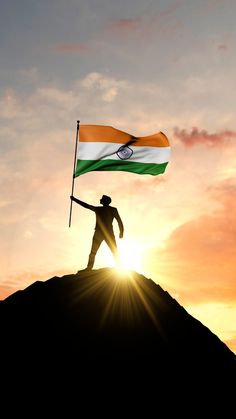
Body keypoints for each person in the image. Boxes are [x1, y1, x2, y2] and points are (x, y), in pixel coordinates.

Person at [70, 195, 124, 270]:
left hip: (105, 233)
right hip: (102, 233)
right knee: (95, 250)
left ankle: (118, 266)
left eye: (101, 199)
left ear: (105, 201)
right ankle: (89, 267)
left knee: (111, 250)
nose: (100, 199)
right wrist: (74, 199)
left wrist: (121, 232)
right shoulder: (100, 209)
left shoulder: (109, 209)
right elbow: (86, 206)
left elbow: (119, 221)